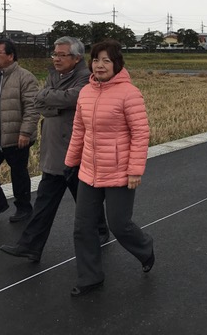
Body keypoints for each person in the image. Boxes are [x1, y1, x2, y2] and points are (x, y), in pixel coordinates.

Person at [0, 37, 109, 262]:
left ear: (76, 58)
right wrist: (57, 105)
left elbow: (74, 98)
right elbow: (40, 103)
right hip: (54, 148)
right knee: (45, 202)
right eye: (54, 54)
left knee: (85, 199)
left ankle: (100, 230)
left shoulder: (86, 77)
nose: (56, 59)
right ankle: (30, 246)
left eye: (61, 55)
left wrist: (52, 100)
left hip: (76, 150)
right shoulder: (54, 75)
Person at [65, 39, 154, 297]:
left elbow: (140, 133)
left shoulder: (129, 93)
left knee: (119, 224)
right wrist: (70, 162)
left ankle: (145, 248)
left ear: (117, 64)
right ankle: (90, 277)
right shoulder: (86, 92)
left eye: (106, 60)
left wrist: (135, 170)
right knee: (83, 227)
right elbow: (79, 130)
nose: (100, 65)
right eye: (96, 60)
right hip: (89, 171)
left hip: (119, 171)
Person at [0, 38, 39, 224]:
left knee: (18, 172)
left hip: (16, 133)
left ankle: (24, 208)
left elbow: (32, 107)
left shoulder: (25, 77)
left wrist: (25, 132)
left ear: (11, 56)